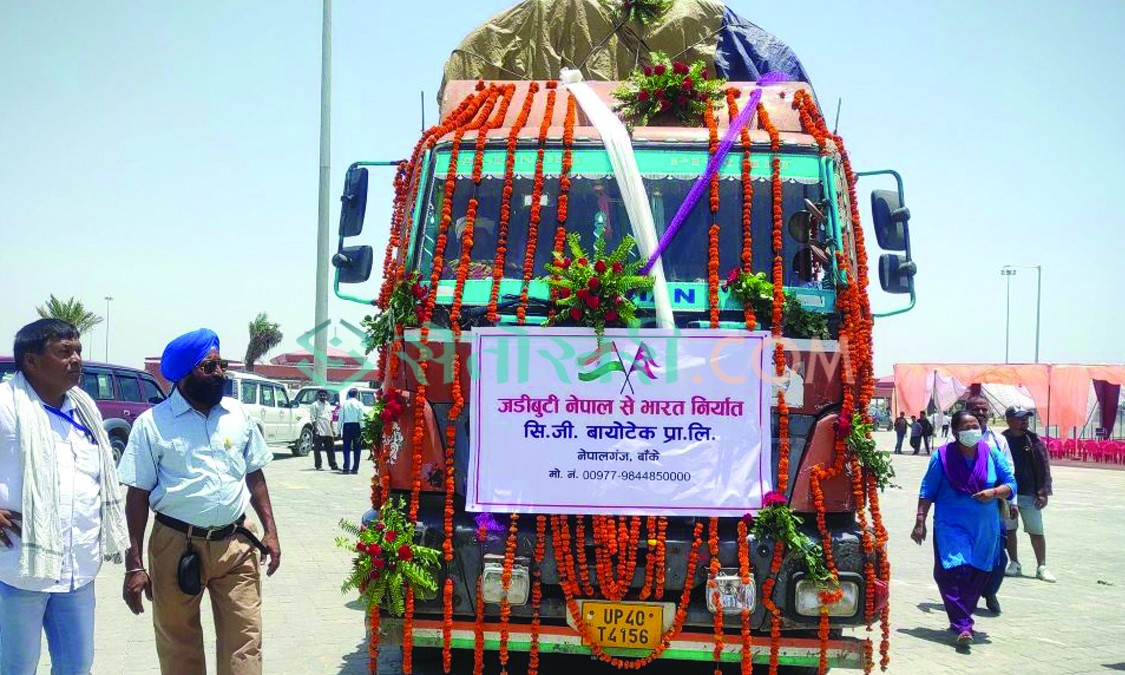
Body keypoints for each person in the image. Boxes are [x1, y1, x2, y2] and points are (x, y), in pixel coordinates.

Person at [118, 328, 280, 675]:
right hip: (175, 545)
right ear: (184, 374)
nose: (220, 373)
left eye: (221, 364)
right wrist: (134, 564)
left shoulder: (237, 415)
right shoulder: (152, 425)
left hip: (237, 543)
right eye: (209, 367)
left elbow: (255, 475)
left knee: (246, 641)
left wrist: (271, 531)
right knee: (179, 645)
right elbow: (137, 497)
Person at [0, 319, 129, 675]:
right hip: (20, 568)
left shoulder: (84, 408)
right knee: (16, 667)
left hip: (77, 568)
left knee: (76, 666)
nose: (76, 359)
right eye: (63, 352)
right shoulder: (6, 406)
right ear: (32, 361)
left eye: (78, 351)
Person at [912, 410, 1016, 647]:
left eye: (976, 425)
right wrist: (920, 520)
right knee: (952, 571)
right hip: (951, 525)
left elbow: (1011, 483)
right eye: (967, 427)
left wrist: (994, 492)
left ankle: (960, 619)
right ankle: (963, 625)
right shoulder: (942, 456)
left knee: (977, 573)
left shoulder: (991, 453)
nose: (973, 430)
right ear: (956, 432)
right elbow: (928, 489)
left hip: (984, 527)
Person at [965, 395, 1015, 613]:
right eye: (976, 409)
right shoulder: (956, 440)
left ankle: (991, 591)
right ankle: (969, 593)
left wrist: (1010, 500)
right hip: (966, 506)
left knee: (998, 551)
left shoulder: (998, 440)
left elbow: (1009, 472)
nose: (981, 413)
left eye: (984, 410)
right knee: (969, 549)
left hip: (995, 504)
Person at [1001, 405, 1055, 582]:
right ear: (1009, 420)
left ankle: (1042, 566)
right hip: (1008, 494)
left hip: (1030, 493)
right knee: (1010, 530)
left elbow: (1043, 467)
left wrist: (1043, 491)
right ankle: (1014, 563)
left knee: (1036, 531)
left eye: (1026, 417)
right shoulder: (1001, 440)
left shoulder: (1033, 440)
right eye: (1020, 417)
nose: (1024, 420)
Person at [309, 389, 338, 471]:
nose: (323, 397)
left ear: (327, 396)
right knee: (317, 449)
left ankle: (333, 465)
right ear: (318, 396)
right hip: (319, 430)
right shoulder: (314, 405)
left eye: (324, 395)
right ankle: (318, 465)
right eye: (321, 395)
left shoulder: (328, 404)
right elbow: (313, 418)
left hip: (328, 430)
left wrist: (333, 429)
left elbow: (330, 418)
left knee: (331, 449)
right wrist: (316, 429)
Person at [339, 390, 365, 475]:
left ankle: (346, 468)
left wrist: (338, 429)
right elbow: (361, 418)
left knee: (346, 448)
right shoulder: (359, 404)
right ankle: (355, 468)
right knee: (357, 448)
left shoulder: (344, 404)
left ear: (348, 395)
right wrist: (363, 429)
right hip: (356, 426)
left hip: (347, 426)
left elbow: (341, 418)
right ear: (356, 394)